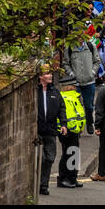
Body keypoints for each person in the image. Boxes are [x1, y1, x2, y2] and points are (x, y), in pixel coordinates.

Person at [35, 64, 67, 196]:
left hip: (51, 130)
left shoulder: (55, 92)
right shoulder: (34, 91)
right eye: (47, 73)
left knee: (49, 158)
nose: (51, 75)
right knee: (39, 158)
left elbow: (62, 108)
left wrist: (63, 124)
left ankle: (44, 185)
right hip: (37, 130)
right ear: (40, 76)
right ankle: (39, 184)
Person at [57, 75, 85, 189]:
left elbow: (78, 114)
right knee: (68, 154)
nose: (76, 87)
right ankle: (64, 179)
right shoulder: (63, 97)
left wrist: (81, 126)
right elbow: (61, 115)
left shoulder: (75, 97)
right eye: (74, 85)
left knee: (73, 154)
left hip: (75, 130)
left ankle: (72, 178)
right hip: (67, 130)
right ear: (69, 87)